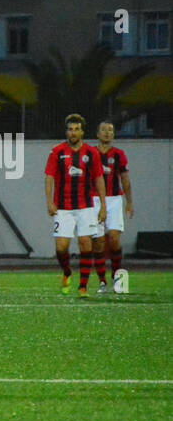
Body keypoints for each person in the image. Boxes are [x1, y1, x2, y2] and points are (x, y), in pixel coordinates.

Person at [45, 113, 106, 297]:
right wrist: (49, 201)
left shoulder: (91, 153)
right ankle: (67, 272)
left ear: (82, 131)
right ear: (66, 131)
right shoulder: (57, 151)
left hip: (85, 206)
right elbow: (49, 178)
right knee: (61, 247)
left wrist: (102, 205)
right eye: (70, 129)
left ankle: (83, 287)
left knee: (85, 244)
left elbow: (98, 178)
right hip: (63, 207)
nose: (73, 133)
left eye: (77, 129)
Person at [91, 120, 132, 294]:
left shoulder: (118, 155)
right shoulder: (90, 153)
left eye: (111, 130)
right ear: (97, 134)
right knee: (99, 242)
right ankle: (102, 281)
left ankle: (117, 277)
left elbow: (124, 179)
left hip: (114, 200)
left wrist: (129, 202)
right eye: (104, 130)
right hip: (93, 200)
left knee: (114, 239)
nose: (107, 133)